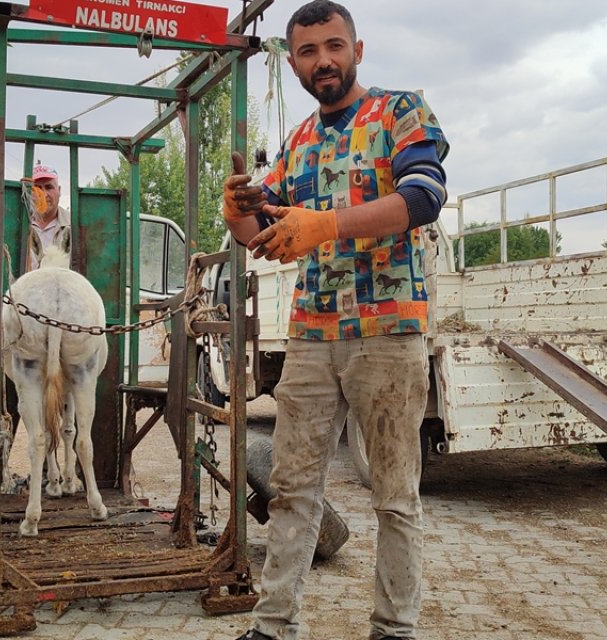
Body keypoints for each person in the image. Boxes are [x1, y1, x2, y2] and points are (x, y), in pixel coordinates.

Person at [223, 2, 448, 639]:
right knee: (293, 488)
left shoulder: (400, 112)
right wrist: (237, 209)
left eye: (334, 45)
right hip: (314, 332)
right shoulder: (299, 143)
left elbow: (424, 196)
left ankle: (394, 628)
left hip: (389, 329)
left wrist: (326, 224)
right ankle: (273, 626)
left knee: (394, 492)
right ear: (293, 62)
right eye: (308, 51)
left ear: (357, 49)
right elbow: (259, 232)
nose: (323, 60)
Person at [24, 162, 71, 270]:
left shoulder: (73, 226)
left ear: (59, 191)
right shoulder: (17, 226)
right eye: (37, 188)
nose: (44, 194)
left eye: (49, 187)